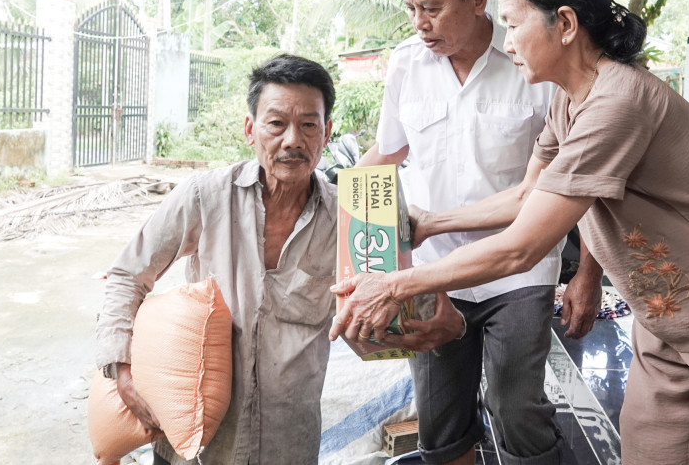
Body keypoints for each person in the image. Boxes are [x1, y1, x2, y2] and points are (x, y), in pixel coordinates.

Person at [331, 0, 689, 465]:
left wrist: (395, 284)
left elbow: (524, 247)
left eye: (516, 25)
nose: (509, 41)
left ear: (564, 24)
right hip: (670, 316)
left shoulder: (618, 102)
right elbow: (526, 196)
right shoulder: (568, 98)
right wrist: (431, 223)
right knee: (650, 448)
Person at [95, 54, 464, 465]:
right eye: (276, 124)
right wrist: (121, 370)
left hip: (287, 447)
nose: (293, 140)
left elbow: (421, 316)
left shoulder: (356, 218)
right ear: (251, 129)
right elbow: (129, 274)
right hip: (193, 444)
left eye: (309, 125)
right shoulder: (205, 196)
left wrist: (441, 313)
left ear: (326, 135)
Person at [355, 0, 604, 465]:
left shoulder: (535, 61)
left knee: (516, 409)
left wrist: (587, 274)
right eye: (410, 8)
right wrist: (323, 203)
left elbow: (579, 180)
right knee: (441, 421)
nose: (418, 22)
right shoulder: (406, 64)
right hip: (430, 269)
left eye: (431, 8)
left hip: (519, 272)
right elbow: (387, 153)